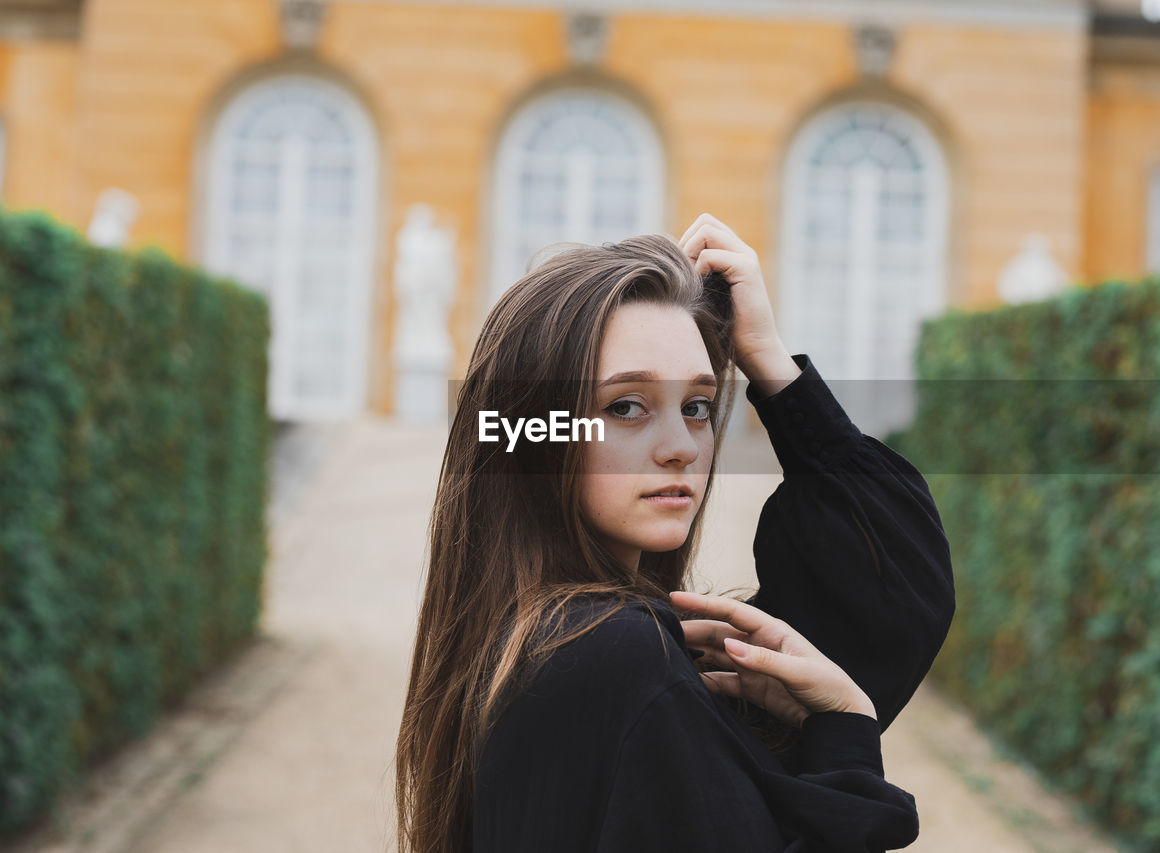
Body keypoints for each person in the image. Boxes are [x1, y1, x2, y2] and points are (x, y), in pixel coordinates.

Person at [394, 213, 955, 852]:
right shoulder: (617, 654)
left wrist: (768, 357)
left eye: (696, 406)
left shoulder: (539, 640)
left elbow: (895, 594)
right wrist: (846, 737)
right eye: (625, 406)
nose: (681, 447)